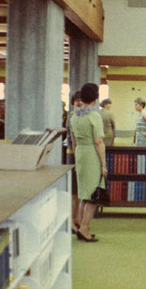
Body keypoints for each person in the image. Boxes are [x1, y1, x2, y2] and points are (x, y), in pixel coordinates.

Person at [70, 83, 107, 242]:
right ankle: (85, 228)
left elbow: (73, 140)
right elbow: (98, 142)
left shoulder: (75, 116)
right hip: (92, 154)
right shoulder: (94, 116)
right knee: (93, 194)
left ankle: (82, 225)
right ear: (96, 98)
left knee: (84, 192)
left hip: (80, 154)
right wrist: (104, 164)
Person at [66, 91, 83, 234]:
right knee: (73, 191)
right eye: (77, 100)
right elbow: (74, 139)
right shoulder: (72, 116)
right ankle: (71, 220)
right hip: (73, 155)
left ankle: (75, 217)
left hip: (78, 155)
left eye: (81, 100)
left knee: (77, 190)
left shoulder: (80, 116)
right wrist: (78, 159)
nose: (79, 103)